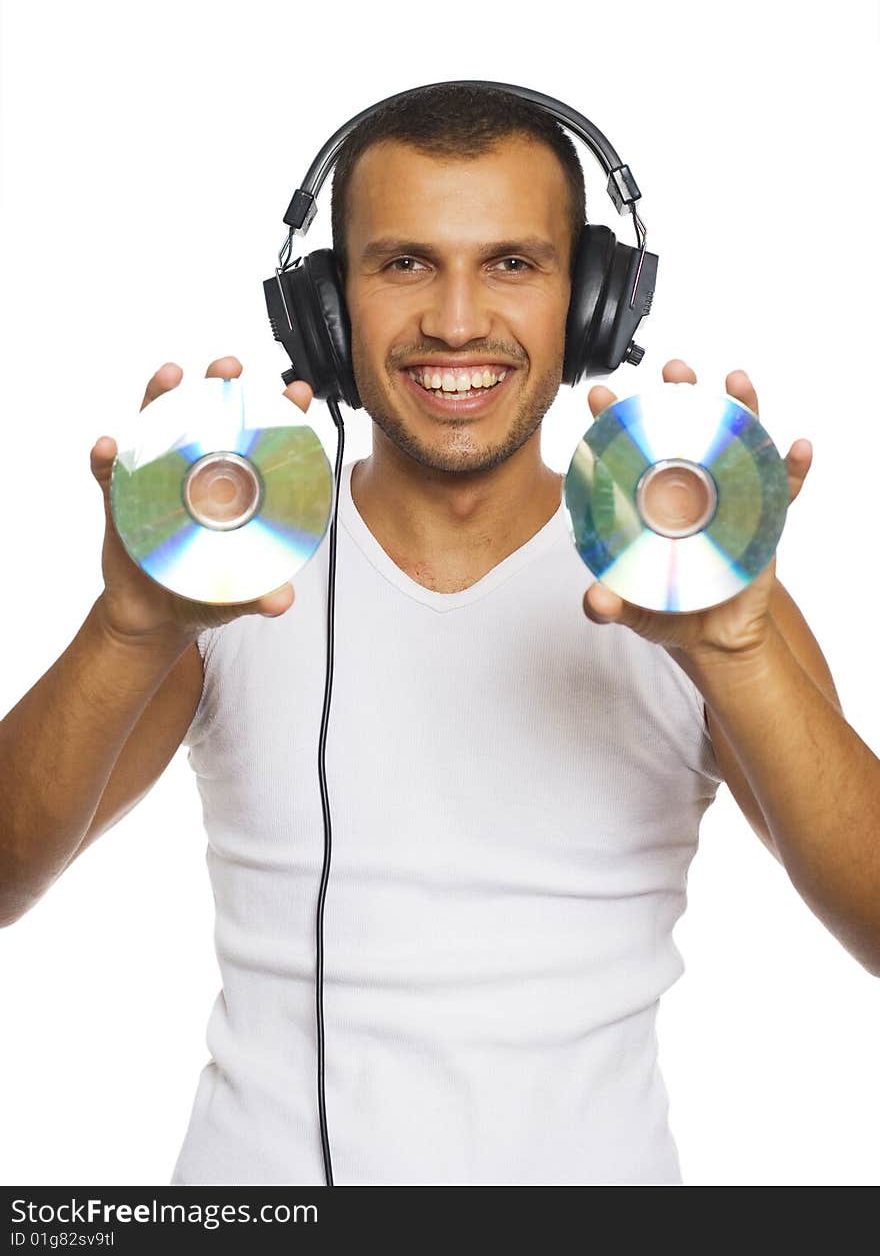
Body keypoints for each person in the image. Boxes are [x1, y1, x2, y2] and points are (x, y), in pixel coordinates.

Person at [1, 85, 878, 1188]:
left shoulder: (699, 591)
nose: (456, 320)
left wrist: (738, 657)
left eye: (512, 262)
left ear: (594, 304)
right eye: (403, 263)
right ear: (322, 307)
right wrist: (127, 628)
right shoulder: (225, 575)